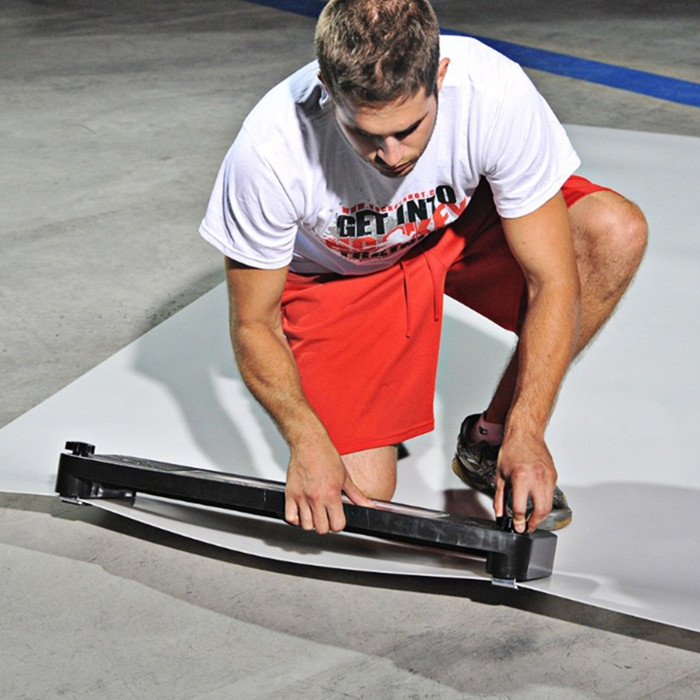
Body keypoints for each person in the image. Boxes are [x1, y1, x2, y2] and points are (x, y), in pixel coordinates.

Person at [199, 0, 647, 536]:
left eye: (409, 128)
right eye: (366, 134)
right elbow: (254, 322)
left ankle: (492, 439)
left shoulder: (491, 91)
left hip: (451, 226)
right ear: (326, 89)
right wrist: (305, 436)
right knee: (361, 495)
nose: (392, 157)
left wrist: (527, 430)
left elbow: (551, 279)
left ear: (440, 75)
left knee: (612, 232)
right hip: (343, 273)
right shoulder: (269, 150)